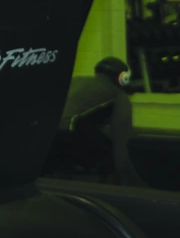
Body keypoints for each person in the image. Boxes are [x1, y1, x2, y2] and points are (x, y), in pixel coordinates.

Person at [58, 57, 146, 187]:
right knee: (112, 162)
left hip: (51, 135)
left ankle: (60, 195)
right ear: (122, 78)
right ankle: (108, 196)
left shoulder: (75, 81)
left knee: (63, 160)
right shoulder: (118, 95)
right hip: (74, 136)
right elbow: (121, 140)